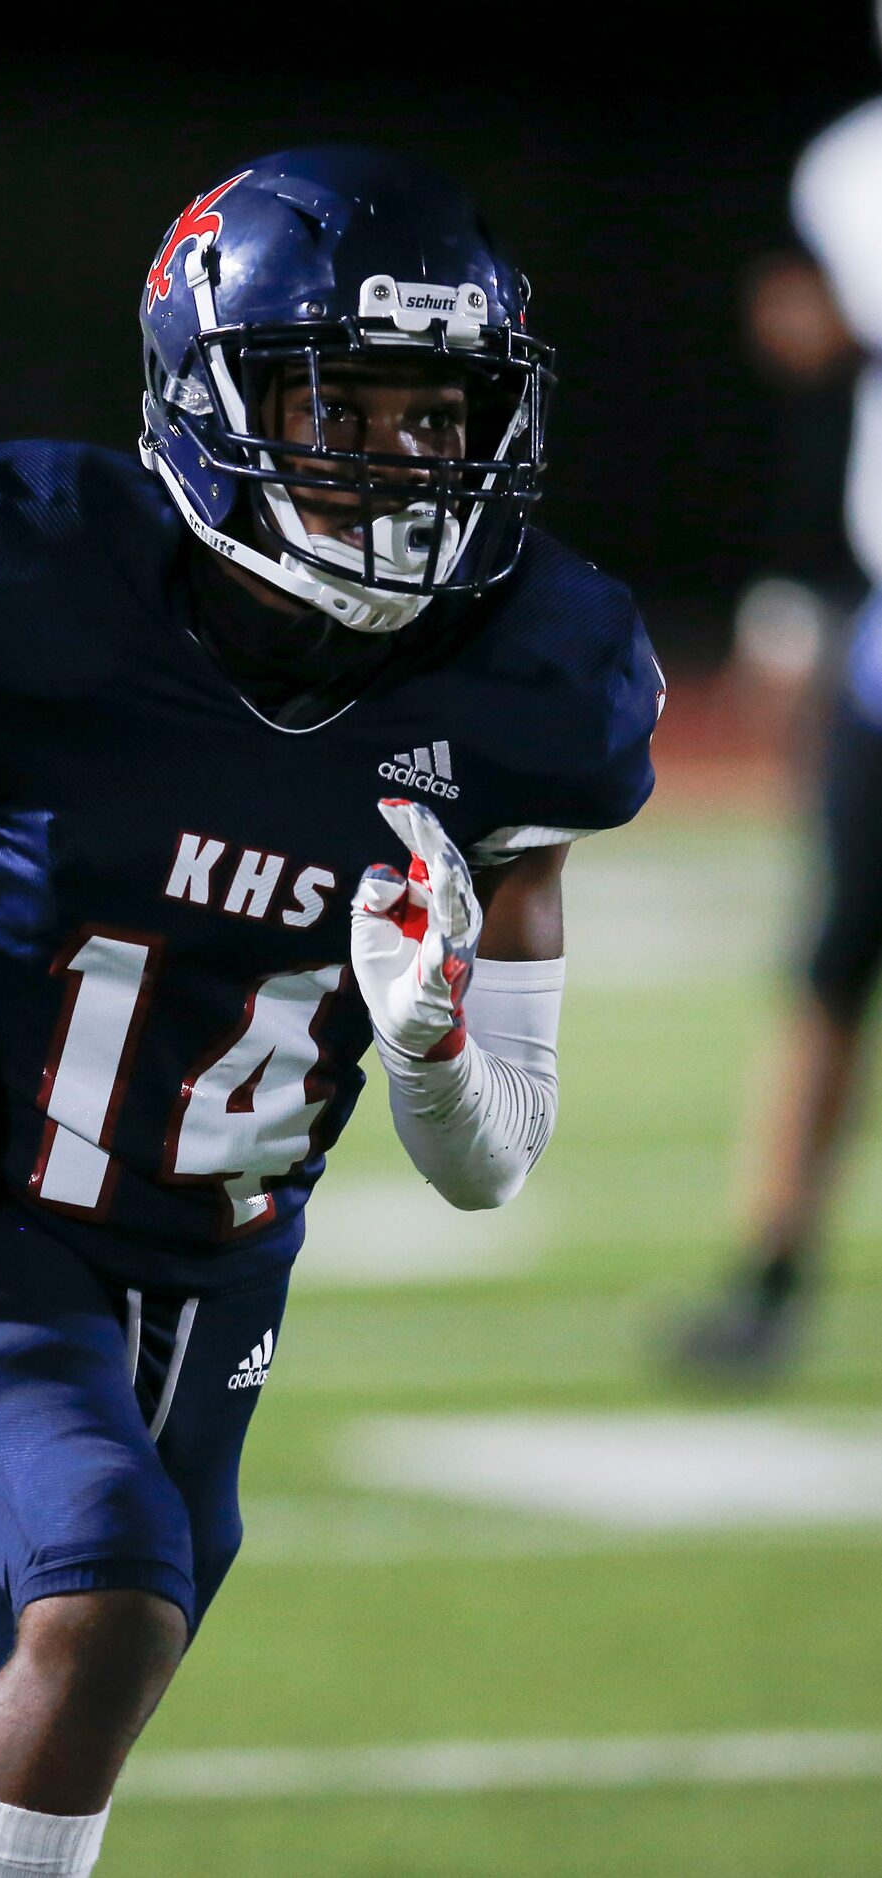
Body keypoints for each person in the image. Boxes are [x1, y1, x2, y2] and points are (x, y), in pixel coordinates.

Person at [0, 146, 663, 1878]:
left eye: (438, 416)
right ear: (212, 396)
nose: (402, 467)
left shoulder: (539, 687)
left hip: (216, 1287)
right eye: (346, 407)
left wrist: (430, 1036)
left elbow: (489, 1163)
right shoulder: (29, 575)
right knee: (102, 1588)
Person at [676, 65, 882, 1375]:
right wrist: (803, 582)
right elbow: (810, 361)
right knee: (827, 955)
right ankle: (767, 1270)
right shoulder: (849, 165)